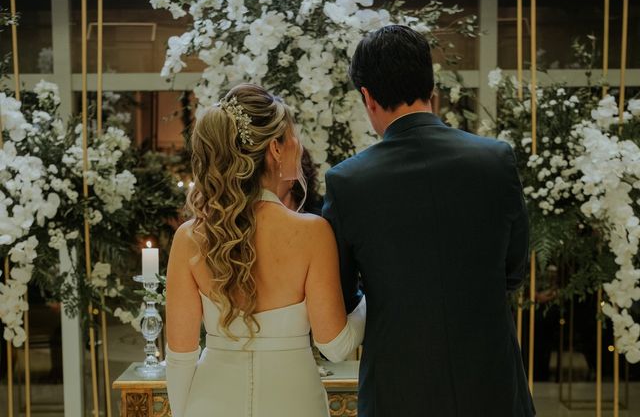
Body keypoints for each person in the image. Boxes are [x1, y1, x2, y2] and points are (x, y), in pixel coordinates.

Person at [322, 25, 535, 417]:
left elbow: (342, 292)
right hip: (491, 384)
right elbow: (514, 270)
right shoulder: (495, 160)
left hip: (398, 390)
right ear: (430, 85)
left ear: (367, 97)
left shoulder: (347, 182)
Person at [165, 84, 366, 417]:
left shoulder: (190, 238)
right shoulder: (312, 232)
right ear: (275, 148)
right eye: (293, 137)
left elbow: (181, 357)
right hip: (294, 403)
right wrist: (371, 303)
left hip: (210, 402)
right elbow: (336, 346)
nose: (298, 145)